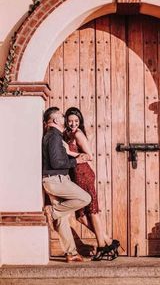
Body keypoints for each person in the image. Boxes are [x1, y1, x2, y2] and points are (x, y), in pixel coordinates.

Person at [63, 107, 120, 261]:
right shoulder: (67, 133)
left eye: (76, 120)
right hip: (76, 176)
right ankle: (108, 241)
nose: (73, 123)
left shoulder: (78, 134)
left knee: (92, 212)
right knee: (81, 217)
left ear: (80, 121)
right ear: (66, 121)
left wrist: (69, 152)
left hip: (84, 174)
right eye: (70, 120)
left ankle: (102, 245)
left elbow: (89, 156)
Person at [42, 106, 92, 263]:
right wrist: (76, 161)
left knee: (62, 219)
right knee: (85, 198)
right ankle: (53, 212)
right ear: (56, 120)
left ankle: (71, 253)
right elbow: (57, 162)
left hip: (53, 180)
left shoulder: (52, 136)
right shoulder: (54, 136)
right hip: (56, 180)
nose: (64, 118)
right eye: (62, 116)